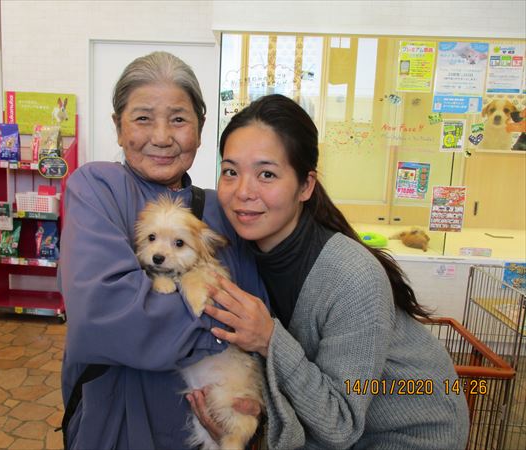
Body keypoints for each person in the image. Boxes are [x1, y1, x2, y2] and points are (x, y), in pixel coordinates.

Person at [188, 94, 470, 449]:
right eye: (231, 171)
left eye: (266, 174)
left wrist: (269, 339)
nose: (243, 191)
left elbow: (339, 425)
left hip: (409, 437)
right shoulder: (240, 248)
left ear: (306, 185)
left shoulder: (352, 276)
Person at [59, 51, 266, 450]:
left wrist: (252, 406)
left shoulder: (223, 211)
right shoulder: (97, 189)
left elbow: (260, 311)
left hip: (211, 427)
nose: (161, 136)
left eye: (178, 119)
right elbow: (102, 316)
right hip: (117, 425)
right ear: (118, 127)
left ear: (200, 129)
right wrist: (228, 333)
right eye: (142, 118)